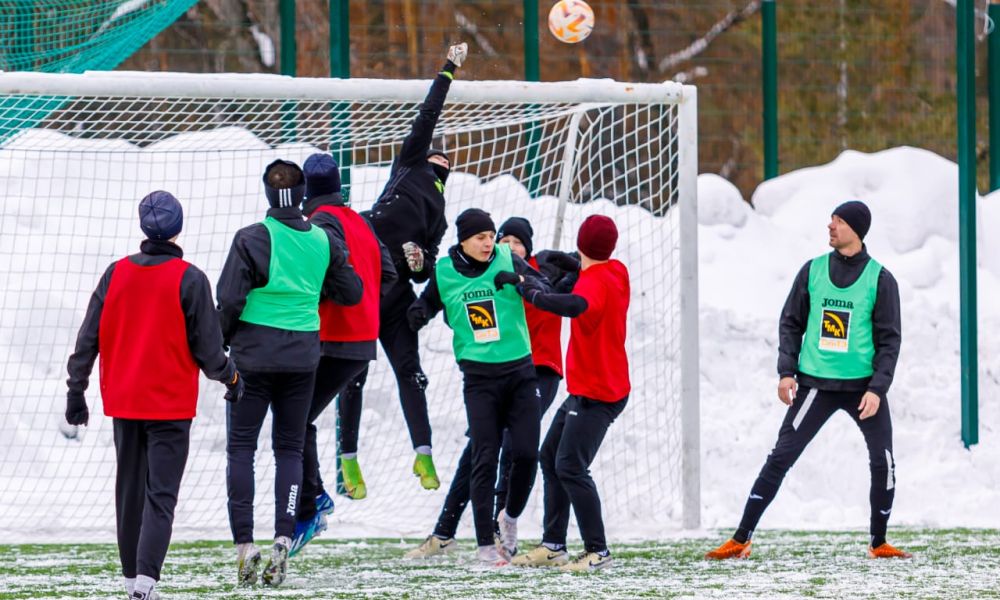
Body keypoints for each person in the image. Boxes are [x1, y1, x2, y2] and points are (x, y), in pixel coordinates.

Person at [704, 200, 907, 560]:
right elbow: (790, 323)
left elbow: (890, 340)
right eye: (831, 219)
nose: (830, 226)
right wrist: (786, 371)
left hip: (863, 390)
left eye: (839, 221)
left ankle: (879, 543)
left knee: (884, 462)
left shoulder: (881, 279)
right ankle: (741, 539)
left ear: (857, 230)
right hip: (816, 387)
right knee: (780, 458)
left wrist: (878, 388)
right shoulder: (812, 271)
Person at [65, 191, 243, 600]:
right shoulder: (190, 278)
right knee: (160, 495)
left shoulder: (115, 273)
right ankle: (145, 584)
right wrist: (231, 379)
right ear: (178, 229)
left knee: (129, 493)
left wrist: (77, 390)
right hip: (171, 405)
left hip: (125, 402)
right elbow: (210, 352)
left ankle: (133, 582)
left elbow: (87, 338)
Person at [216, 159, 363, 587]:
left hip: (253, 358)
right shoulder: (323, 240)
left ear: (267, 193)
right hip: (302, 358)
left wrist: (220, 347)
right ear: (302, 196)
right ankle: (283, 538)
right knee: (289, 450)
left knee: (242, 449)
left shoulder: (251, 238)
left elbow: (229, 300)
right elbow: (351, 292)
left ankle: (245, 544)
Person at [339, 42, 468, 492]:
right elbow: (427, 115)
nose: (444, 156)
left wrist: (421, 263)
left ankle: (424, 455)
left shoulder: (441, 211)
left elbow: (426, 268)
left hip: (396, 295)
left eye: (448, 158)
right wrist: (448, 69)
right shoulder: (410, 163)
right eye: (439, 152)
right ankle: (348, 460)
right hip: (364, 279)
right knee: (352, 372)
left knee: (410, 373)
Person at [404, 216, 570, 560]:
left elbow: (544, 284)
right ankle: (484, 546)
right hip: (479, 379)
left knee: (525, 453)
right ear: (463, 240)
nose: (489, 244)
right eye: (482, 237)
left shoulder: (508, 260)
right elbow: (431, 300)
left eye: (491, 237)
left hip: (522, 372)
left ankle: (508, 518)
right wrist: (419, 311)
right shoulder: (446, 269)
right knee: (483, 456)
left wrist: (524, 281)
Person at [288, 153, 398, 555]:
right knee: (300, 417)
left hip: (333, 339)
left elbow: (327, 271)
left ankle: (313, 501)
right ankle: (313, 498)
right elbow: (388, 274)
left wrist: (335, 304)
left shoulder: (319, 223)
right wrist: (365, 310)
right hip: (359, 343)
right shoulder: (361, 221)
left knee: (292, 417)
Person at [510, 214, 630, 572]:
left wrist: (531, 291)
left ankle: (598, 551)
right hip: (589, 388)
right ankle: (554, 545)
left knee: (570, 466)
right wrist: (575, 263)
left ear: (581, 243)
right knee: (550, 457)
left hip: (598, 393)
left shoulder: (592, 284)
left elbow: (574, 305)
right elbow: (586, 274)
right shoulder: (616, 270)